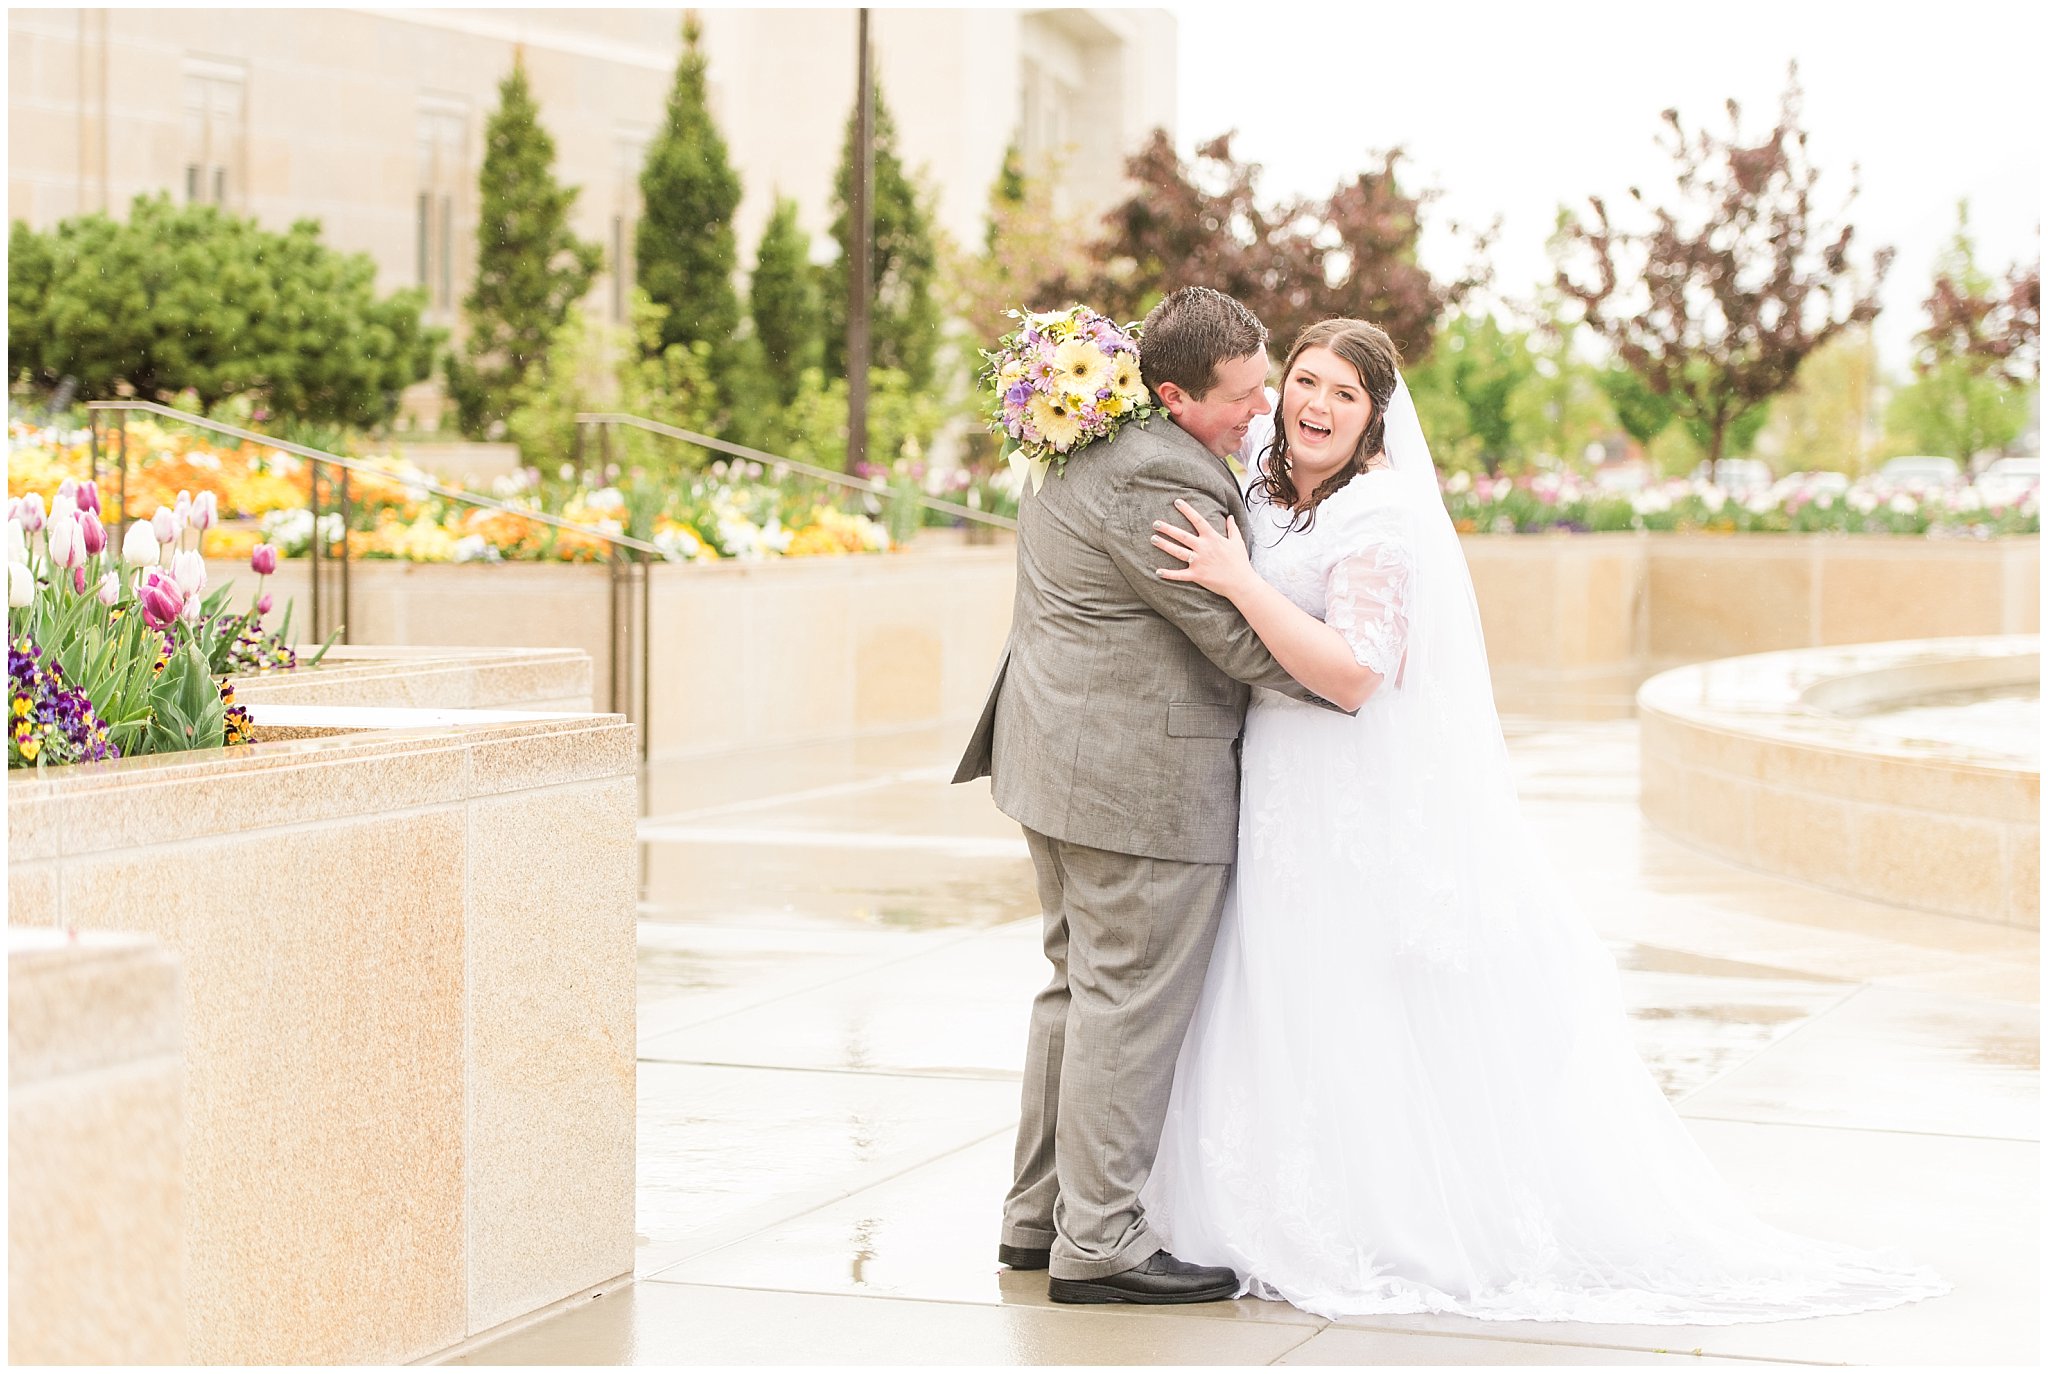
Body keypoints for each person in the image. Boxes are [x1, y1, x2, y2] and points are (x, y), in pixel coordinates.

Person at [1139, 318, 1949, 1324]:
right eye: (1304, 381)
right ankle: (1259, 1200)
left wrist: (1241, 583)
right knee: (1279, 985)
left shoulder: (1380, 518)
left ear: (1373, 416)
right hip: (1277, 791)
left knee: (1344, 990)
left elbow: (1355, 674)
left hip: (1344, 787)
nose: (1315, 405)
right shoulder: (1265, 491)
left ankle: (1377, 1221)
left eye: (1344, 395)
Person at [952, 287, 1347, 1304]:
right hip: (1133, 787)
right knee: (1123, 1003)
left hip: (1061, 768)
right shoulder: (1165, 476)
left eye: (1268, 385)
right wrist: (1354, 675)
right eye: (1243, 396)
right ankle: (1101, 1240)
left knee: (1075, 992)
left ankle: (1036, 1220)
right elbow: (1230, 639)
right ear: (1172, 394)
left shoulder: (1090, 436)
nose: (1261, 410)